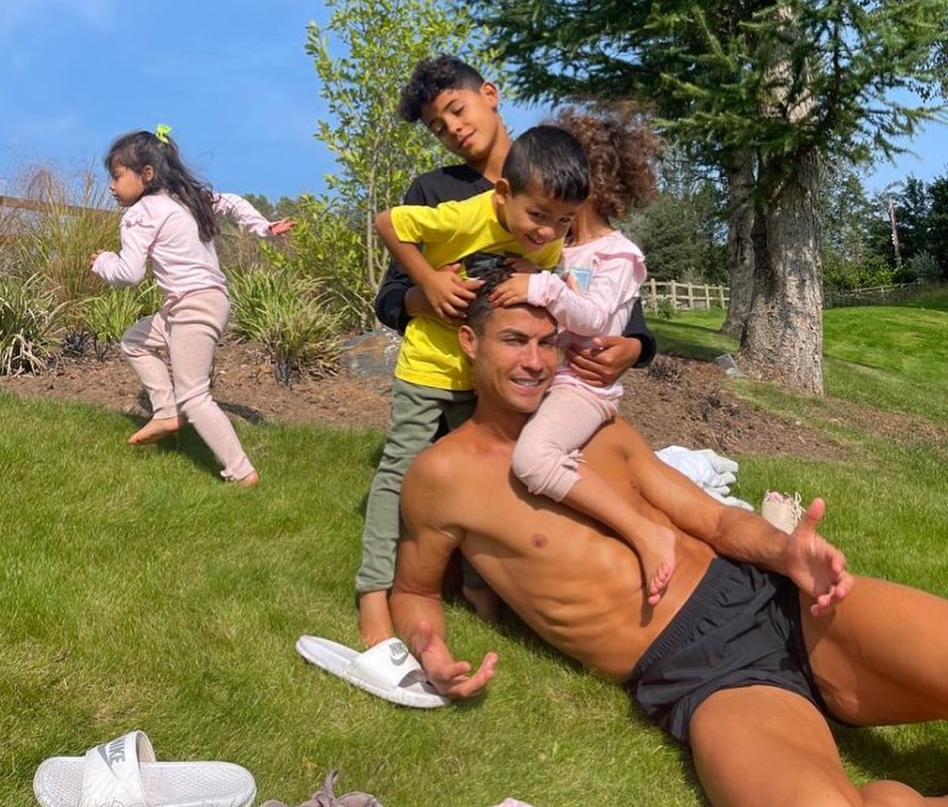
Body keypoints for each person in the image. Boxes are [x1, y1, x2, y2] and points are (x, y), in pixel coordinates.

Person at [390, 282, 948, 807]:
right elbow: (414, 589)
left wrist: (784, 552)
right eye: (514, 341)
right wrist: (428, 648)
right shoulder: (443, 477)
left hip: (787, 605)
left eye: (548, 343)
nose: (535, 362)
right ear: (470, 341)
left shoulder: (602, 428)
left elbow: (714, 519)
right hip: (705, 674)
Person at [356, 124, 588, 647]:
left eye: (563, 222)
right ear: (503, 195)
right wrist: (428, 280)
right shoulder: (465, 214)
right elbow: (388, 221)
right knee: (401, 470)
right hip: (432, 366)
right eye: (537, 216)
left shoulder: (546, 245)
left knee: (491, 477)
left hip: (488, 378)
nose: (548, 232)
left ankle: (487, 590)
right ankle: (373, 592)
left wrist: (535, 270)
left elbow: (546, 277)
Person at [487, 105, 674, 604]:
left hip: (584, 385)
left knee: (532, 459)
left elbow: (591, 316)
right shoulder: (556, 250)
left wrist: (540, 285)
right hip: (549, 375)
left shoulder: (619, 254)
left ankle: (643, 531)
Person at [377, 54, 657, 381]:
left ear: (490, 95)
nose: (453, 127)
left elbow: (602, 262)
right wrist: (429, 294)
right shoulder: (431, 191)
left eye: (457, 109)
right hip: (453, 381)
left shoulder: (554, 177)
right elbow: (390, 296)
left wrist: (636, 343)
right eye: (438, 128)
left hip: (539, 382)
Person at [91, 126, 294, 486]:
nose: (111, 185)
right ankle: (167, 413)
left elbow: (129, 272)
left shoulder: (141, 213)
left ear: (147, 174)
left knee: (195, 395)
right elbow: (230, 201)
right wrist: (263, 226)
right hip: (203, 302)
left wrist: (103, 261)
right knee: (136, 341)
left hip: (191, 306)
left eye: (118, 176)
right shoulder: (185, 198)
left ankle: (241, 471)